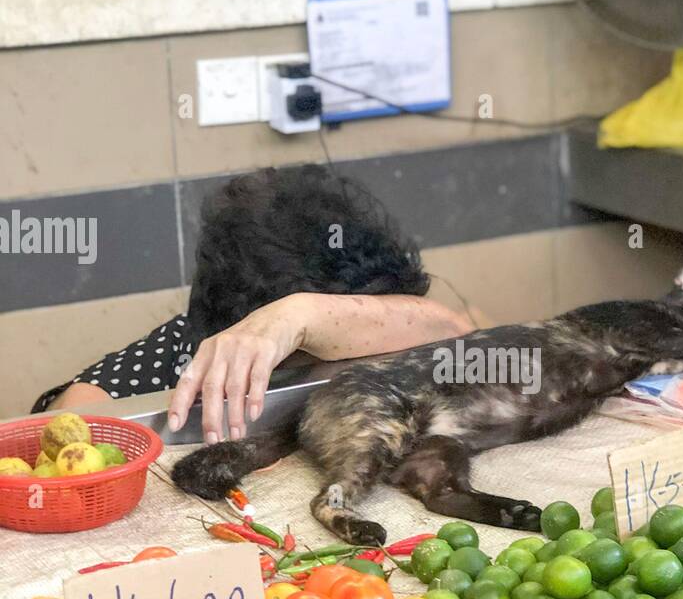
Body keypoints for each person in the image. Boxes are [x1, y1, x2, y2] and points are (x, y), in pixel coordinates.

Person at [34, 165, 475, 444]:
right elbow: (67, 425)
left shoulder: (365, 323)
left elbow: (455, 330)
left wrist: (301, 314)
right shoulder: (180, 353)